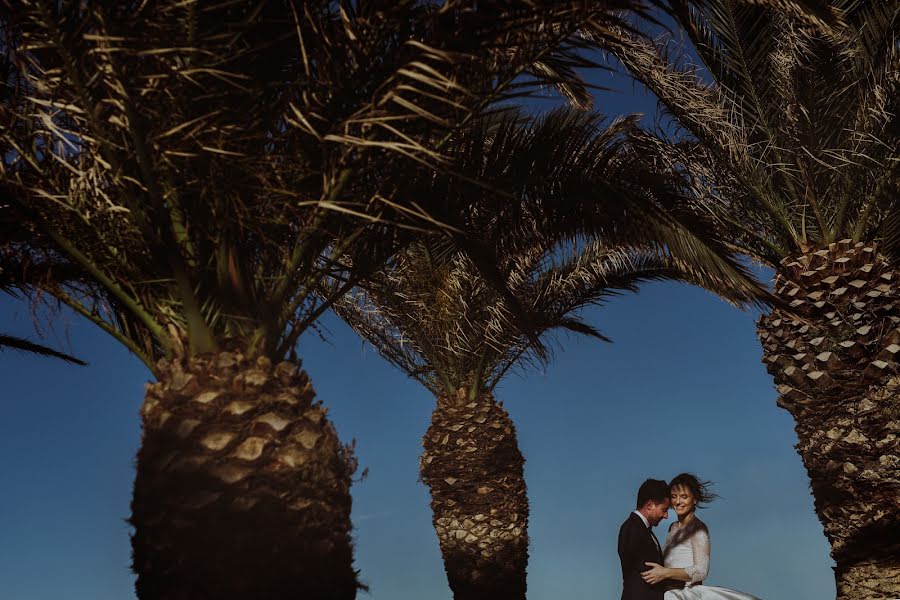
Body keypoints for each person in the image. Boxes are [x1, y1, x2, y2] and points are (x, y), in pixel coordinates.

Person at [641, 473, 762, 600]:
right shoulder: (672, 527)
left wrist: (665, 573)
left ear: (694, 499)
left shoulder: (698, 528)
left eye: (684, 497)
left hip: (686, 594)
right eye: (674, 496)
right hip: (667, 593)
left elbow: (701, 571)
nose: (678, 501)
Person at [618, 478, 671, 600]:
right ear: (650, 505)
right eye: (664, 510)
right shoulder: (633, 528)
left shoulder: (643, 529)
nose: (666, 516)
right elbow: (651, 573)